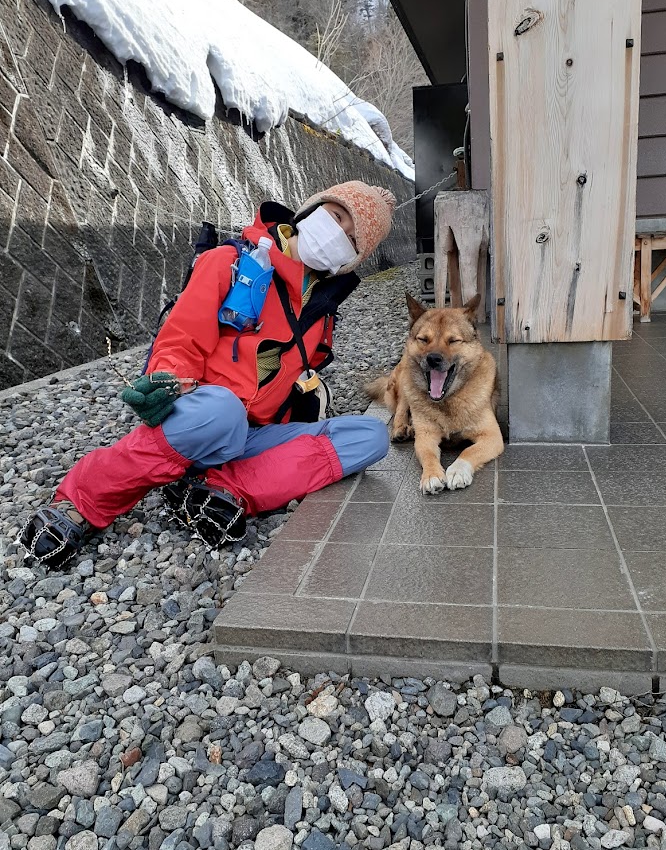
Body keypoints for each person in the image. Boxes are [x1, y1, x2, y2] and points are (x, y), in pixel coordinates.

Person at [20, 181, 396, 569]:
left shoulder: (323, 307)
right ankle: (80, 501)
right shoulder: (231, 262)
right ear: (312, 209)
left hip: (252, 435)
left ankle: (222, 489)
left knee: (370, 436)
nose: (337, 235)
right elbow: (181, 338)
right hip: (204, 417)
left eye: (352, 240)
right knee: (222, 410)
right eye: (336, 217)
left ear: (351, 260)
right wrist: (166, 380)